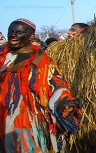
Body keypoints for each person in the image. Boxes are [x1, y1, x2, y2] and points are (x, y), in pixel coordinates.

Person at [0, 18, 82, 152]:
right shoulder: (2, 55)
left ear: (31, 36)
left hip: (26, 121)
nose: (13, 34)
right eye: (11, 31)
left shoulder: (41, 61)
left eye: (19, 32)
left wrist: (64, 103)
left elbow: (56, 84)